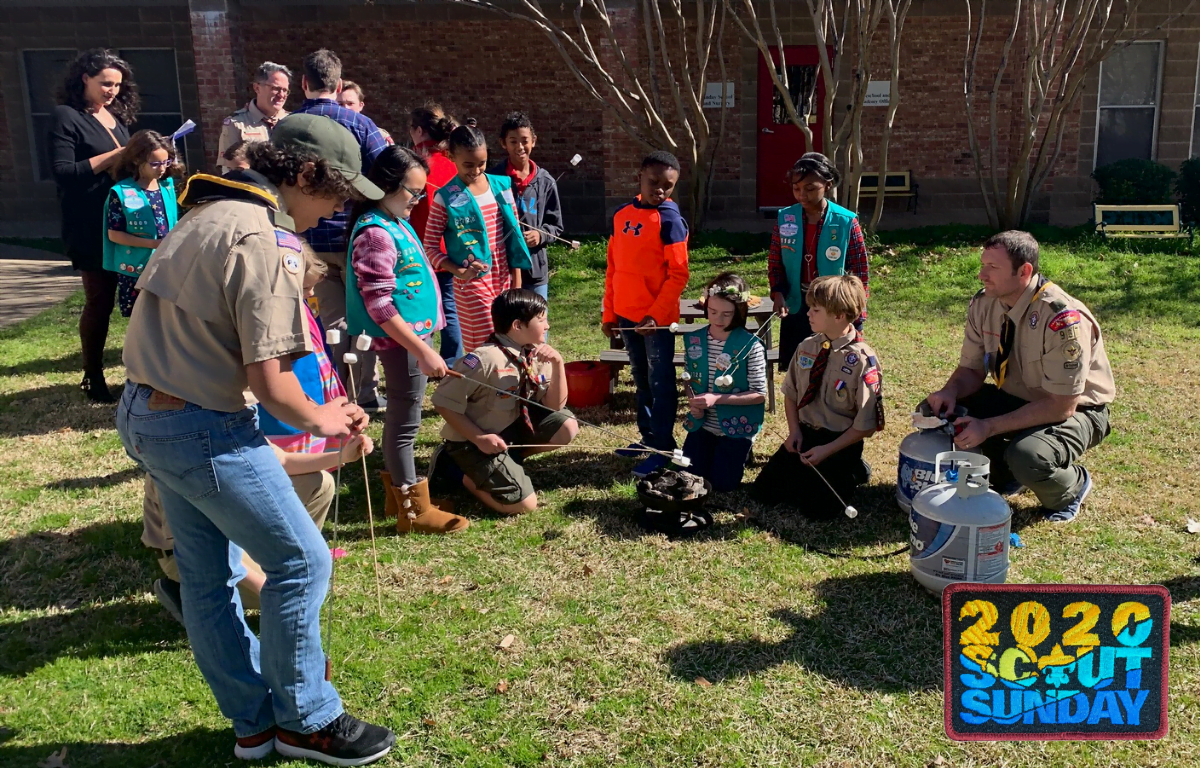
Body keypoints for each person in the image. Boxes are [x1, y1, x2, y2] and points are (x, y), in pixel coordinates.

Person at [115, 114, 396, 765]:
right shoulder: (261, 238)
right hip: (202, 426)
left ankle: (254, 724)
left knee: (207, 577)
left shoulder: (205, 215)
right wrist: (329, 419)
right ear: (304, 174)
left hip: (150, 415)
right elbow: (270, 384)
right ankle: (306, 719)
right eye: (338, 192)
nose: (339, 208)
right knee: (304, 561)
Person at [926, 230, 1115, 523]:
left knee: (1028, 456)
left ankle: (1072, 487)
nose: (981, 275)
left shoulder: (1062, 318)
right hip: (1017, 397)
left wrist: (987, 427)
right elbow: (972, 370)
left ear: (1024, 271)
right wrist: (949, 393)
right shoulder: (985, 303)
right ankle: (1005, 477)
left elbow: (1060, 405)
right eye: (982, 265)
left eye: (992, 267)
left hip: (1076, 410)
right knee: (936, 413)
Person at [345, 145, 470, 534]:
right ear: (385, 186)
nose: (417, 202)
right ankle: (412, 508)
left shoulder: (393, 221)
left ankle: (398, 498)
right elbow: (380, 304)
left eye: (420, 193)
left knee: (405, 416)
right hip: (402, 344)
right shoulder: (375, 233)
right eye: (412, 193)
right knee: (405, 421)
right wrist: (422, 349)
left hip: (412, 341)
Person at [143, 432, 373, 622]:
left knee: (320, 484)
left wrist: (343, 455)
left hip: (237, 533)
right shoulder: (175, 459)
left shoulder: (229, 421)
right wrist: (273, 592)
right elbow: (202, 547)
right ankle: (186, 594)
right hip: (190, 557)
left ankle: (293, 565)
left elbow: (282, 462)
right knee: (291, 590)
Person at [294, 49, 391, 412]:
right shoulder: (360, 124)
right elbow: (385, 174)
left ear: (304, 83)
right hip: (355, 236)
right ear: (337, 84)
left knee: (330, 323)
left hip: (309, 239)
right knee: (364, 318)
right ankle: (366, 394)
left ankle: (337, 394)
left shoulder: (289, 127)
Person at [430, 289, 579, 515]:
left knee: (566, 425)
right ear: (517, 326)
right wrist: (479, 438)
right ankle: (454, 470)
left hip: (509, 431)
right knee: (524, 505)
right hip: (472, 442)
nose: (547, 325)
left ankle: (510, 459)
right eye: (541, 320)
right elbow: (443, 402)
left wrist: (558, 365)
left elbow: (554, 407)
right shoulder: (484, 359)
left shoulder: (534, 355)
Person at [751, 275, 882, 518]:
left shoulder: (862, 361)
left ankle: (854, 470)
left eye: (815, 309)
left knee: (818, 512)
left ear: (838, 315)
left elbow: (866, 424)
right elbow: (790, 393)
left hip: (840, 440)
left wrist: (827, 450)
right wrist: (794, 432)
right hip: (806, 434)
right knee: (763, 494)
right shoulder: (807, 347)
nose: (808, 313)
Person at [49, 48, 137, 402]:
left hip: (127, 220)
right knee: (100, 300)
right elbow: (64, 172)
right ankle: (93, 374)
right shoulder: (65, 117)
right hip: (89, 223)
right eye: (105, 83)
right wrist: (115, 156)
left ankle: (143, 370)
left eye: (116, 85)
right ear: (84, 78)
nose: (111, 91)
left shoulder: (115, 118)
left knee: (138, 298)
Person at [600, 150, 690, 478]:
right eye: (654, 182)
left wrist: (655, 315)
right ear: (640, 176)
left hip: (656, 322)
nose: (660, 190)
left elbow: (678, 274)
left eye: (668, 185)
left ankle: (664, 447)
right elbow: (614, 268)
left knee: (661, 381)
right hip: (626, 316)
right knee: (641, 380)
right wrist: (610, 312)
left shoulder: (670, 221)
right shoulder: (622, 215)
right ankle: (648, 438)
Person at [422, 120, 532, 353]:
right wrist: (458, 271)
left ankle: (508, 387)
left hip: (503, 278)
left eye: (481, 164)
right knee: (485, 345)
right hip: (471, 284)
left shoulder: (501, 186)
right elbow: (429, 247)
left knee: (511, 340)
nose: (475, 171)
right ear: (452, 157)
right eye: (468, 165)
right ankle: (480, 389)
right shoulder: (446, 197)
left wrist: (517, 282)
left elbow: (514, 237)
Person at [769, 152, 869, 369]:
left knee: (832, 365)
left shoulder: (846, 221)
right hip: (796, 306)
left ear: (828, 185)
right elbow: (776, 262)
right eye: (796, 189)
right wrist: (777, 292)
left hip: (833, 307)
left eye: (810, 188)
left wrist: (858, 314)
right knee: (799, 366)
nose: (802, 195)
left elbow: (860, 271)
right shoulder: (786, 218)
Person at [680, 273, 767, 492]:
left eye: (727, 314)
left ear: (740, 311)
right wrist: (693, 403)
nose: (718, 319)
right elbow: (689, 378)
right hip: (704, 425)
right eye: (712, 312)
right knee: (690, 478)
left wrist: (717, 398)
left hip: (736, 427)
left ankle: (742, 451)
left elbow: (759, 394)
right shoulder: (695, 340)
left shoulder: (751, 346)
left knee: (721, 485)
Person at [103, 130, 181, 317]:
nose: (162, 168)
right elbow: (114, 234)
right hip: (135, 267)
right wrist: (153, 244)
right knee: (141, 317)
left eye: (166, 162)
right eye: (155, 164)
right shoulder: (121, 191)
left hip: (165, 263)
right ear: (137, 160)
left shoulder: (167, 186)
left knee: (167, 315)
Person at [488, 111, 563, 304]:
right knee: (507, 325)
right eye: (513, 141)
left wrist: (540, 235)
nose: (520, 147)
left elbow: (556, 227)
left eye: (524, 140)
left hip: (535, 269)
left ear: (534, 141)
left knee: (537, 325)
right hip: (502, 269)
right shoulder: (493, 179)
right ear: (503, 143)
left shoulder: (545, 182)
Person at [408, 103, 462, 361]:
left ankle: (422, 358)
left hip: (420, 247)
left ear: (418, 130)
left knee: (418, 304)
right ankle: (452, 359)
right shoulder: (453, 161)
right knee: (451, 307)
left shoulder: (415, 163)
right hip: (451, 247)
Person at [216, 61, 292, 172]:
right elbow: (228, 170)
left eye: (285, 90)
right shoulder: (236, 124)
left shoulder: (292, 122)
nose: (281, 95)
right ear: (257, 88)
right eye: (275, 89)